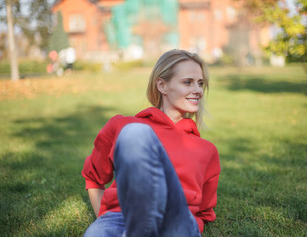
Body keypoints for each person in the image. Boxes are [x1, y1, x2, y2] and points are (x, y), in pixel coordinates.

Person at [82, 49, 221, 237]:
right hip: (119, 217)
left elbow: (204, 212)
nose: (197, 90)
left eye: (200, 83)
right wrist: (102, 216)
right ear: (162, 86)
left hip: (175, 219)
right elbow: (94, 178)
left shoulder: (207, 150)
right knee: (135, 133)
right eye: (188, 82)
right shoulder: (123, 126)